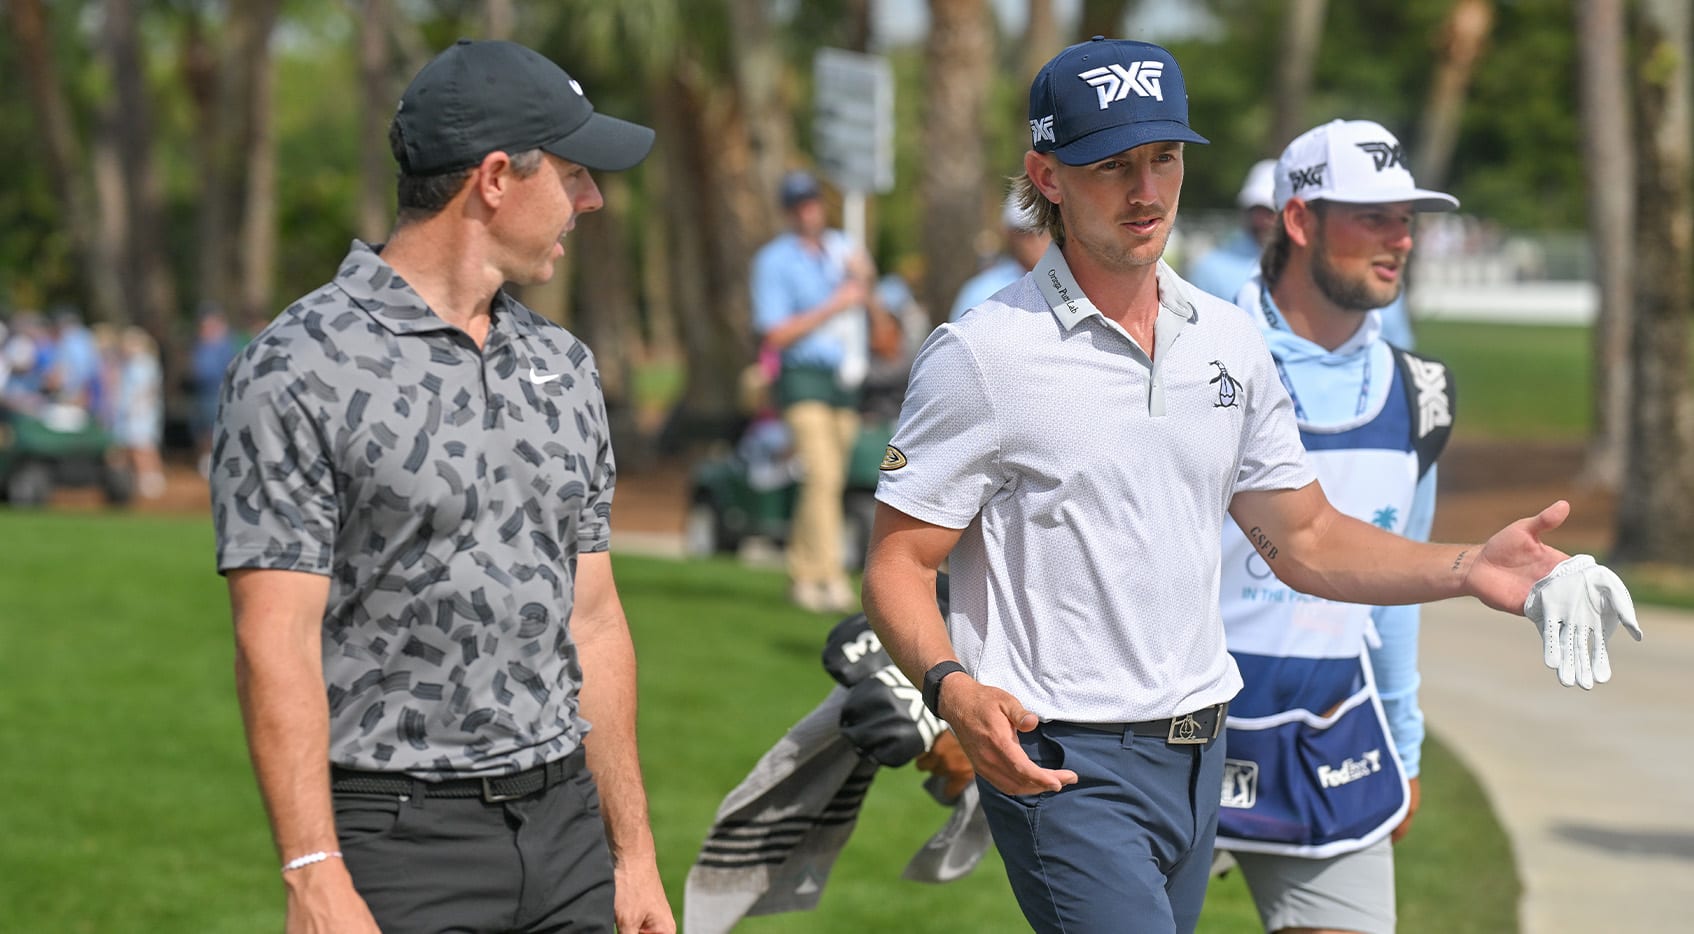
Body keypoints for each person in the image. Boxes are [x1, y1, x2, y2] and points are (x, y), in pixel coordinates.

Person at [860, 37, 1640, 934]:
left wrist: (1472, 567)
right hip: (1062, 761)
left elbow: (1304, 538)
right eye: (1113, 166)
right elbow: (897, 561)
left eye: (1164, 158)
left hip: (1201, 745)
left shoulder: (1228, 340)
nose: (1146, 192)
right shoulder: (982, 355)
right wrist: (953, 688)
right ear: (1048, 175)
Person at [210, 39, 673, 934]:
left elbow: (596, 618)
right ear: (496, 179)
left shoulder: (564, 366)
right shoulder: (298, 368)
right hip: (398, 841)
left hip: (566, 829)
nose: (594, 199)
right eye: (575, 174)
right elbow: (275, 637)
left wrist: (634, 853)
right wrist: (312, 873)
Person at [1213, 118, 1465, 934]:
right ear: (1298, 221)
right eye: (1372, 218)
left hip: (1333, 735)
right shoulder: (1191, 361)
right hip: (1173, 731)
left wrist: (1404, 740)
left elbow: (1391, 595)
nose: (1401, 241)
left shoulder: (1422, 393)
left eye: (1407, 220)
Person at [750, 169, 878, 614]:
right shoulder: (774, 261)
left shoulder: (842, 251)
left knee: (830, 480)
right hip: (802, 376)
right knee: (822, 474)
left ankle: (802, 569)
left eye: (814, 203)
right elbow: (775, 333)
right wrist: (831, 306)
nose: (810, 212)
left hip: (843, 378)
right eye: (800, 205)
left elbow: (870, 310)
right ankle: (829, 576)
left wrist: (865, 281)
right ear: (789, 212)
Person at [948, 192, 1052, 322]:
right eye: (1026, 231)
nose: (1038, 239)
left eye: (1046, 228)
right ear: (1009, 234)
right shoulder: (980, 291)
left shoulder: (1076, 283)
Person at [1185, 157, 1278, 303]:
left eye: (1269, 211)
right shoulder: (1210, 270)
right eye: (1254, 210)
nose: (1259, 220)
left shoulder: (1303, 269)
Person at [112, 326, 166, 499]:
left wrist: (138, 408)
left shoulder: (145, 363)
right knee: (128, 447)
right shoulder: (129, 364)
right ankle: (132, 481)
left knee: (143, 447)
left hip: (140, 414)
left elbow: (148, 390)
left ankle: (152, 481)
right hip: (127, 413)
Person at [189, 307, 237, 477]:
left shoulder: (227, 344)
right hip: (202, 392)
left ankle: (217, 461)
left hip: (218, 392)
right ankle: (206, 460)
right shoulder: (200, 344)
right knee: (201, 429)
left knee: (215, 428)